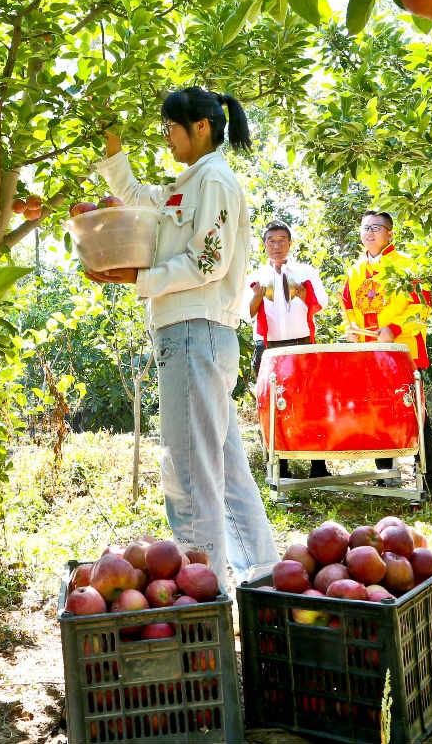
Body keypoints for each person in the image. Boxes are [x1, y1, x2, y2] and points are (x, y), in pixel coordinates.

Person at [86, 86, 280, 588]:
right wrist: (113, 150)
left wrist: (138, 278)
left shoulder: (214, 180)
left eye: (172, 127)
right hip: (195, 336)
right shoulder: (188, 183)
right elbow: (140, 200)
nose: (167, 137)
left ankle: (203, 594)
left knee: (189, 474)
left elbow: (207, 262)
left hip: (196, 334)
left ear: (201, 127)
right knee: (223, 466)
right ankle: (260, 576)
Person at [339, 210, 432, 494]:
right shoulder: (355, 270)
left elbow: (423, 305)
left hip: (402, 350)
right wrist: (350, 328)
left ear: (390, 233)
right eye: (365, 228)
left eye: (376, 228)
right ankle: (386, 472)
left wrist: (394, 328)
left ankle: (428, 475)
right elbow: (347, 307)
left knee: (415, 411)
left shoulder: (407, 264)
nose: (369, 233)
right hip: (369, 352)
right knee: (376, 411)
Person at [247, 221, 330, 480]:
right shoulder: (255, 276)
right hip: (269, 347)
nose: (277, 245)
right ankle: (280, 469)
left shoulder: (305, 271)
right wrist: (258, 296)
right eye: (271, 241)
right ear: (264, 245)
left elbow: (321, 304)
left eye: (282, 240)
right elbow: (245, 314)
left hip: (301, 343)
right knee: (273, 406)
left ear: (290, 243)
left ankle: (318, 466)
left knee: (310, 404)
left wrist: (304, 293)